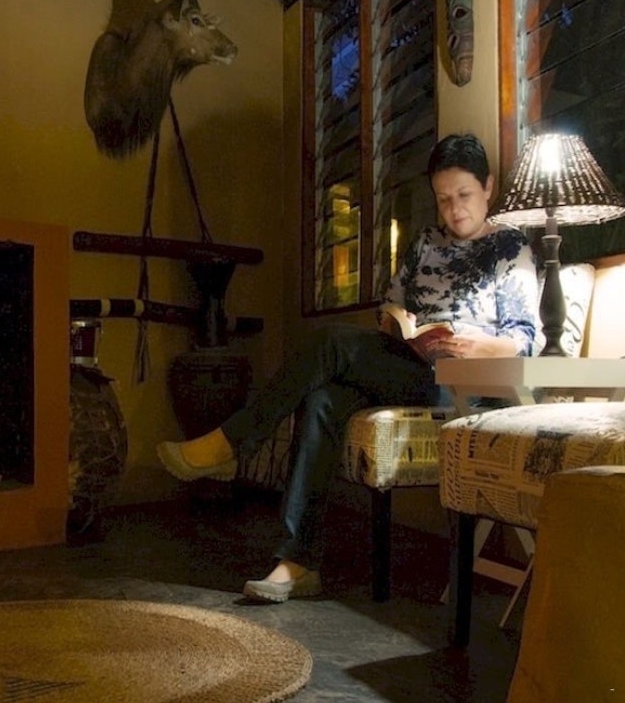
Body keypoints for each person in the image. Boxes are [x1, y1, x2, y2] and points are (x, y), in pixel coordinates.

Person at [157, 133, 538, 602]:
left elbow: (524, 341)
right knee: (323, 399)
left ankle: (235, 442)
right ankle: (296, 564)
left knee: (330, 343)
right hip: (410, 365)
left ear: (488, 187)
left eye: (464, 195)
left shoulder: (509, 246)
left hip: (461, 382)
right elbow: (391, 307)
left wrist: (474, 344)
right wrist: (399, 326)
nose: (454, 210)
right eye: (443, 199)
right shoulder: (425, 242)